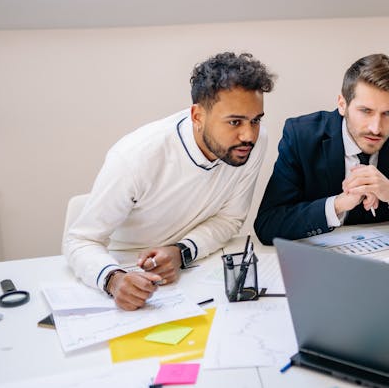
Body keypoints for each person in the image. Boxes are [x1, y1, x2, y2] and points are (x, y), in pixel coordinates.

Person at [63, 52, 275, 310]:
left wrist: (181, 252)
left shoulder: (252, 142)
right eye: (234, 122)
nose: (248, 134)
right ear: (197, 116)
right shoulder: (135, 157)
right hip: (125, 270)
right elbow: (80, 240)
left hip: (193, 270)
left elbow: (229, 219)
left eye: (255, 120)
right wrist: (113, 280)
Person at [254, 53, 389, 245]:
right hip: (322, 262)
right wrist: (337, 205)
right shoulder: (301, 136)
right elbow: (268, 224)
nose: (376, 128)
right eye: (365, 111)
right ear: (342, 104)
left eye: (388, 113)